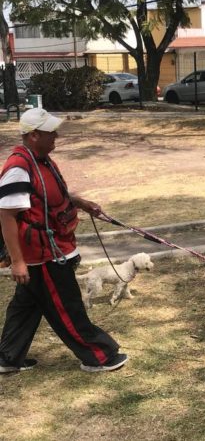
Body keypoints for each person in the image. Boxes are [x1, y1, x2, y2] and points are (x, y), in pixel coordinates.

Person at [0, 108, 128, 374]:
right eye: (50, 132)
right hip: (42, 255)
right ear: (34, 135)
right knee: (66, 306)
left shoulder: (42, 160)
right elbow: (6, 215)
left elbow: (49, 195)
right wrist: (18, 261)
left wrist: (80, 202)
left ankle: (7, 358)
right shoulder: (18, 168)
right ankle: (98, 356)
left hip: (52, 247)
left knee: (26, 305)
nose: (56, 135)